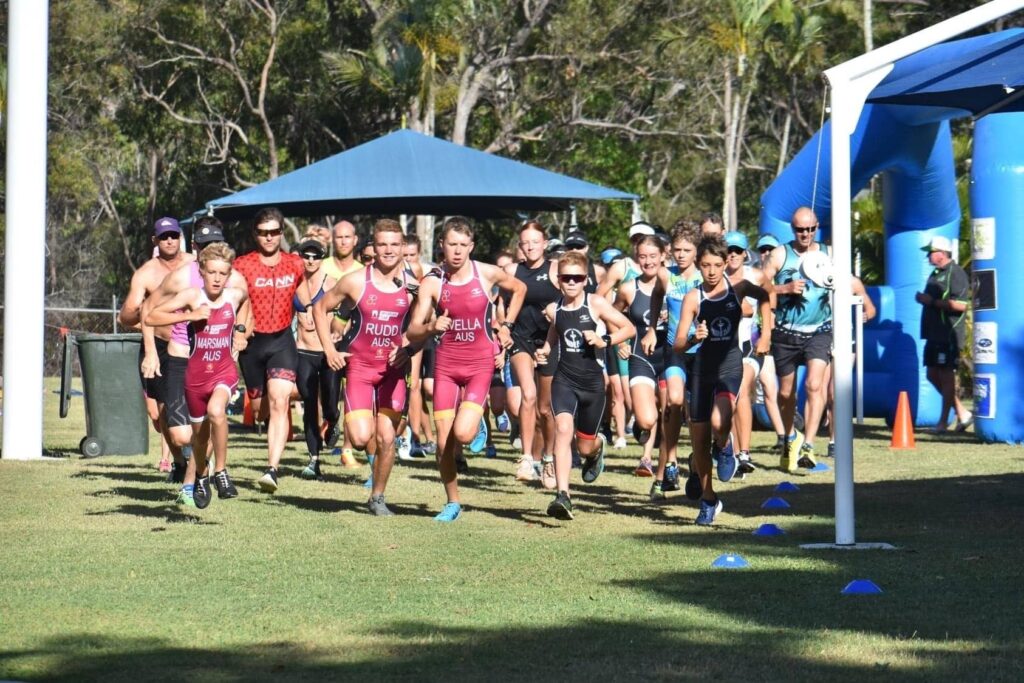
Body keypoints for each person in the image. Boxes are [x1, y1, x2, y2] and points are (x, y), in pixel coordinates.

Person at [407, 217, 526, 521]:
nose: (457, 251)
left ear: (471, 247)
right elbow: (413, 330)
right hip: (446, 366)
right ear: (442, 246)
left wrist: (507, 325)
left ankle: (476, 425)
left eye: (463, 245)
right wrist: (432, 325)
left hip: (479, 365)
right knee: (444, 444)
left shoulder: (485, 273)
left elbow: (520, 288)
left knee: (462, 433)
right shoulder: (433, 283)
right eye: (452, 245)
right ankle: (453, 502)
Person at [312, 219, 415, 516]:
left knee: (386, 437)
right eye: (382, 244)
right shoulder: (356, 281)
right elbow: (320, 308)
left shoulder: (414, 285)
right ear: (373, 245)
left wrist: (410, 349)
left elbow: (424, 327)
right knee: (359, 438)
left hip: (393, 371)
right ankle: (357, 448)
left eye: (395, 245)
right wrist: (330, 349)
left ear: (403, 247)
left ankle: (378, 497)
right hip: (360, 368)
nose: (388, 250)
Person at [673, 236, 770, 526]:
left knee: (719, 423)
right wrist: (693, 337)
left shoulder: (738, 289)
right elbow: (678, 343)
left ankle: (726, 445)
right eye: (706, 265)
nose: (712, 271)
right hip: (701, 370)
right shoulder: (693, 297)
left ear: (726, 263)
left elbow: (765, 295)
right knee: (699, 443)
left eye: (717, 264)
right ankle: (708, 499)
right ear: (698, 265)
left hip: (730, 366)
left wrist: (766, 333)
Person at [146, 243, 247, 508]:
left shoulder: (234, 295)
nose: (217, 278)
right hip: (195, 375)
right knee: (199, 437)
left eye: (222, 273)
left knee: (217, 412)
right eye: (211, 272)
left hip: (223, 371)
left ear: (229, 274)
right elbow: (152, 316)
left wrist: (241, 332)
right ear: (201, 271)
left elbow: (246, 304)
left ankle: (221, 472)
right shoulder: (192, 296)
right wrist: (190, 316)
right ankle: (201, 475)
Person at [537, 250, 635, 520]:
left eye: (577, 278)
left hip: (592, 384)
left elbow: (628, 328)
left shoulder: (596, 304)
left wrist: (606, 341)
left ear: (585, 280)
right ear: (558, 280)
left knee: (584, 447)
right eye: (566, 278)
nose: (571, 283)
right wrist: (545, 350)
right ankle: (563, 495)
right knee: (562, 428)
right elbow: (555, 331)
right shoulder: (553, 309)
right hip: (564, 380)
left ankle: (597, 449)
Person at [232, 207, 306, 493]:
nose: (269, 238)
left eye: (274, 232)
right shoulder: (242, 265)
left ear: (282, 233)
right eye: (263, 233)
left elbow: (304, 294)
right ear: (255, 234)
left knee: (280, 400)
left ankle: (271, 469)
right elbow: (233, 300)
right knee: (261, 410)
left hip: (281, 340)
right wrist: (237, 331)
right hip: (252, 344)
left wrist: (310, 311)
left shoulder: (295, 264)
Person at [119, 217, 195, 477]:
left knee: (193, 402)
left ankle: (197, 459)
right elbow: (126, 315)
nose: (170, 240)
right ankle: (179, 462)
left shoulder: (193, 265)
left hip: (190, 343)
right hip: (159, 346)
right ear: (155, 241)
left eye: (174, 235)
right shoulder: (146, 274)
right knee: (159, 411)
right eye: (164, 237)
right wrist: (146, 322)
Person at [761, 207, 832, 471]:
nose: (806, 234)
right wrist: (785, 289)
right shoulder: (780, 254)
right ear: (793, 229)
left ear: (817, 228)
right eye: (801, 229)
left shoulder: (829, 253)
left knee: (815, 385)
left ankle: (810, 445)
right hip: (786, 333)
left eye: (811, 229)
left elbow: (848, 281)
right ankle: (791, 437)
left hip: (820, 330)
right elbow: (761, 287)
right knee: (785, 393)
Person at [504, 221, 561, 485]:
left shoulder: (556, 270)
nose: (530, 246)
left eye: (535, 242)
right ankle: (526, 458)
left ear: (545, 244)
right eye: (525, 242)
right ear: (520, 245)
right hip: (520, 339)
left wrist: (554, 312)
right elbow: (499, 304)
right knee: (527, 395)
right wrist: (502, 329)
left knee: (545, 409)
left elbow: (572, 302)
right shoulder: (511, 270)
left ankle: (548, 459)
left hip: (549, 341)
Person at [649, 221, 702, 498]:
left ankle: (696, 462)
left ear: (697, 251)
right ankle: (671, 461)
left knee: (696, 413)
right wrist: (651, 327)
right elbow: (657, 296)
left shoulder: (706, 276)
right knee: (674, 401)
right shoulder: (665, 275)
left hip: (701, 352)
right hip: (675, 349)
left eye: (687, 250)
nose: (681, 255)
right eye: (677, 250)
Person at [613, 235, 667, 484]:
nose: (647, 261)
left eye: (652, 256)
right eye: (642, 256)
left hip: (669, 357)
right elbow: (611, 314)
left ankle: (650, 459)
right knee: (646, 416)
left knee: (667, 411)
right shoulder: (628, 288)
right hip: (640, 357)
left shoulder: (675, 284)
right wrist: (620, 340)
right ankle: (644, 433)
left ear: (663, 256)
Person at [292, 231, 341, 480]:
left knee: (330, 404)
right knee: (309, 402)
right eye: (306, 256)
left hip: (327, 352)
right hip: (303, 350)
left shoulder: (331, 283)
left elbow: (348, 314)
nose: (310, 260)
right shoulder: (294, 283)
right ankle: (314, 459)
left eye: (316, 256)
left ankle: (333, 421)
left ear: (322, 258)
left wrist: (338, 332)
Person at [915, 235, 972, 432]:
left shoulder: (955, 273)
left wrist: (930, 302)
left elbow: (961, 305)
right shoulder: (935, 273)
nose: (928, 257)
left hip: (948, 334)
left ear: (941, 253)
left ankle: (942, 423)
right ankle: (962, 412)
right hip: (933, 334)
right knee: (932, 374)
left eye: (930, 253)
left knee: (946, 375)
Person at [724, 230, 769, 475]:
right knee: (727, 398)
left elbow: (768, 298)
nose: (733, 255)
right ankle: (730, 451)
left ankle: (745, 452)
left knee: (741, 389)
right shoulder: (715, 276)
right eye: (729, 251)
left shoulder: (756, 276)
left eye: (737, 251)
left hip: (749, 344)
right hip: (723, 347)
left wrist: (767, 334)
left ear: (745, 253)